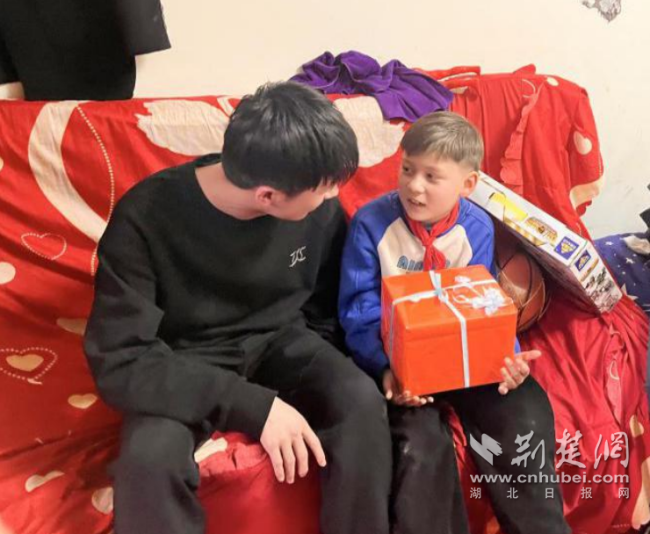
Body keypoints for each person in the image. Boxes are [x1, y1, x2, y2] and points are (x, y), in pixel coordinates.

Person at [84, 81, 392, 534]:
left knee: (360, 402)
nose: (333, 197)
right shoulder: (145, 217)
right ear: (266, 197)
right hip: (182, 357)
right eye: (324, 190)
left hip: (282, 339)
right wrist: (253, 406)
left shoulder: (317, 209)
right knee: (148, 460)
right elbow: (120, 358)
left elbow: (328, 304)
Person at [339, 111, 571, 534]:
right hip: (400, 368)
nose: (414, 185)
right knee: (419, 445)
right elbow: (359, 310)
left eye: (432, 176)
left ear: (467, 184)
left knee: (524, 414)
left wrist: (507, 358)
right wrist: (387, 368)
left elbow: (483, 304)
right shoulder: (371, 224)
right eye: (407, 169)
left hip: (464, 363)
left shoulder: (477, 228)